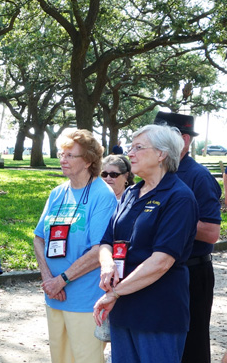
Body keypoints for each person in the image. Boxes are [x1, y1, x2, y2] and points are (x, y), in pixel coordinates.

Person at [93, 124, 198, 362]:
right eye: (131, 147)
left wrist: (115, 293)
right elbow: (106, 241)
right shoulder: (131, 193)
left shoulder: (179, 197)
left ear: (161, 154)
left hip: (157, 312)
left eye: (139, 147)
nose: (130, 153)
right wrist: (107, 264)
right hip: (123, 308)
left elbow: (161, 262)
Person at [33, 130, 117, 363]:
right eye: (62, 154)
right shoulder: (57, 193)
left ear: (89, 160)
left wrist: (62, 280)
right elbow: (39, 237)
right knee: (60, 358)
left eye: (70, 155)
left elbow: (99, 250)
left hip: (84, 300)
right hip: (55, 296)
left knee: (85, 359)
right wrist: (48, 278)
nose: (62, 159)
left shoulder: (103, 195)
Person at [154, 111, 221, 363]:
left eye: (158, 137)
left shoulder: (198, 177)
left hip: (192, 272)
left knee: (191, 345)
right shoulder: (157, 173)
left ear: (182, 140)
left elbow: (212, 233)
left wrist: (172, 218)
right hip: (160, 271)